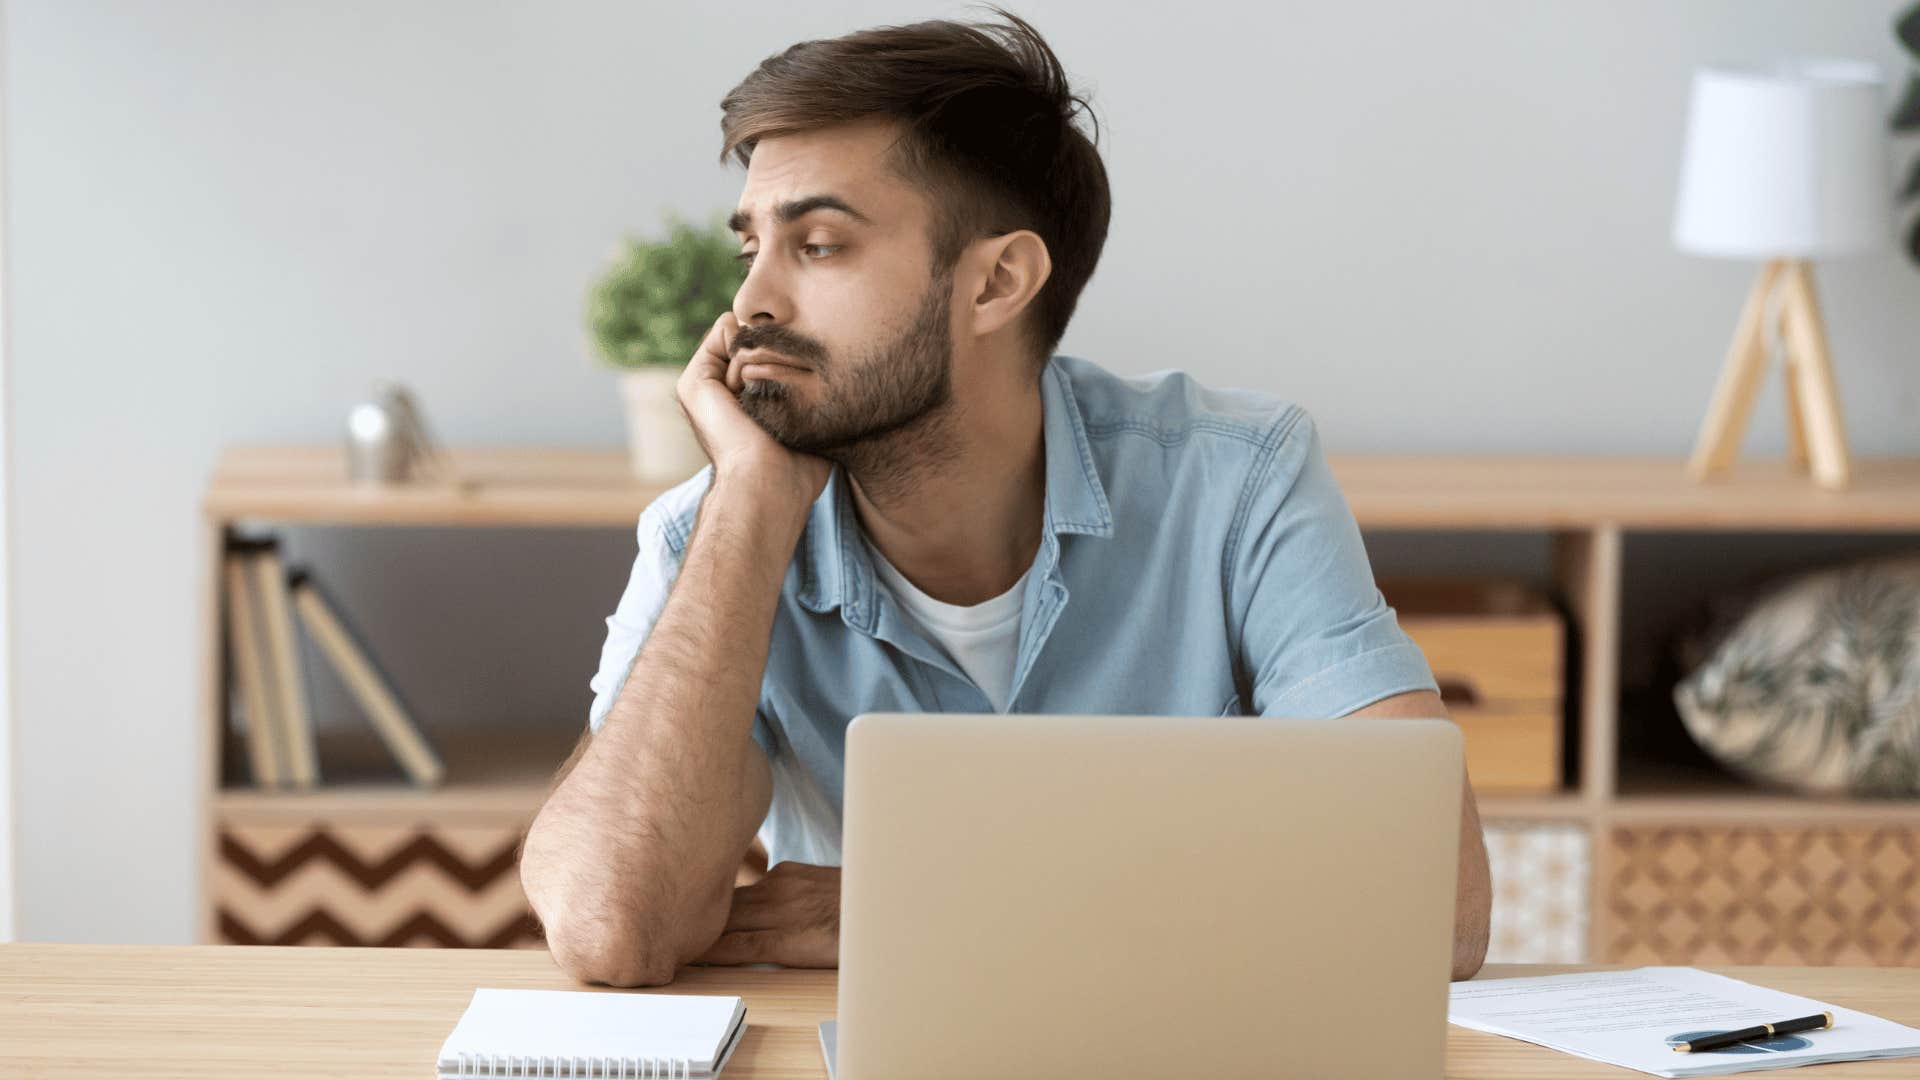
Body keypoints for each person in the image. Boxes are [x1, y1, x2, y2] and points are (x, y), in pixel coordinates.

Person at [520, 6, 1490, 989]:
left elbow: (1432, 907)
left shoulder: (1235, 483)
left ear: (996, 284)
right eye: (750, 251)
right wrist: (749, 511)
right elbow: (610, 925)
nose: (751, 307)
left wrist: (916, 904)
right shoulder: (717, 529)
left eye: (817, 246)